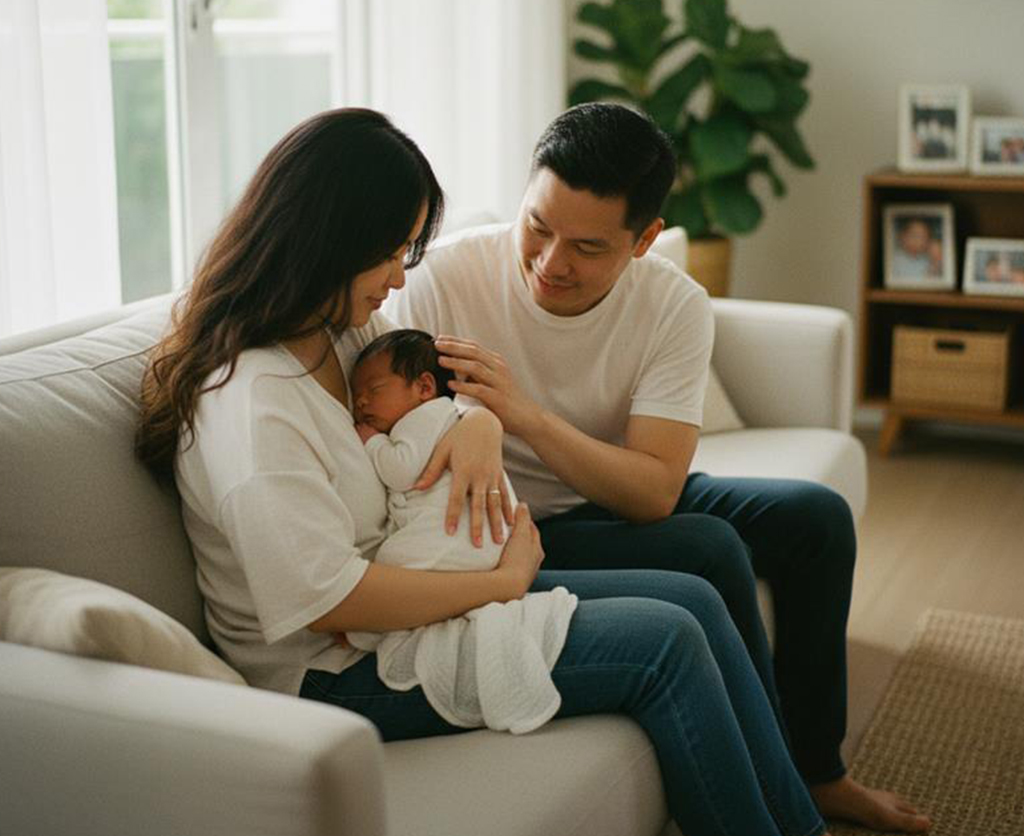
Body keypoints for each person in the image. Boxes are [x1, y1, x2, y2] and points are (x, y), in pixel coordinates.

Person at [137, 106, 833, 836]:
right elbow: (327, 601)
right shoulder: (253, 403)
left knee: (695, 598)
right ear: (328, 243)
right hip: (331, 674)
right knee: (666, 642)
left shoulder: (345, 333)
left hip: (412, 601)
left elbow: (433, 398)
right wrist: (500, 584)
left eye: (410, 249)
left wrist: (480, 424)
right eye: (392, 253)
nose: (403, 276)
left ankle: (799, 819)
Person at [388, 102, 931, 834]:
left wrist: (525, 416)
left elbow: (652, 492)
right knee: (707, 547)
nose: (551, 263)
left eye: (586, 246)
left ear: (644, 240)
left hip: (610, 493)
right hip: (519, 526)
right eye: (538, 227)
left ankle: (820, 770)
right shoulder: (444, 282)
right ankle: (773, 784)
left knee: (816, 519)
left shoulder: (674, 305)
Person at [347, 328, 578, 734]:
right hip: (483, 549)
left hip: (454, 541)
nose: (361, 401)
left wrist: (371, 443)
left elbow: (401, 471)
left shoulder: (421, 419)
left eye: (373, 389)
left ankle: (362, 632)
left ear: (423, 387)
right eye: (357, 393)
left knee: (398, 563)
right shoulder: (436, 415)